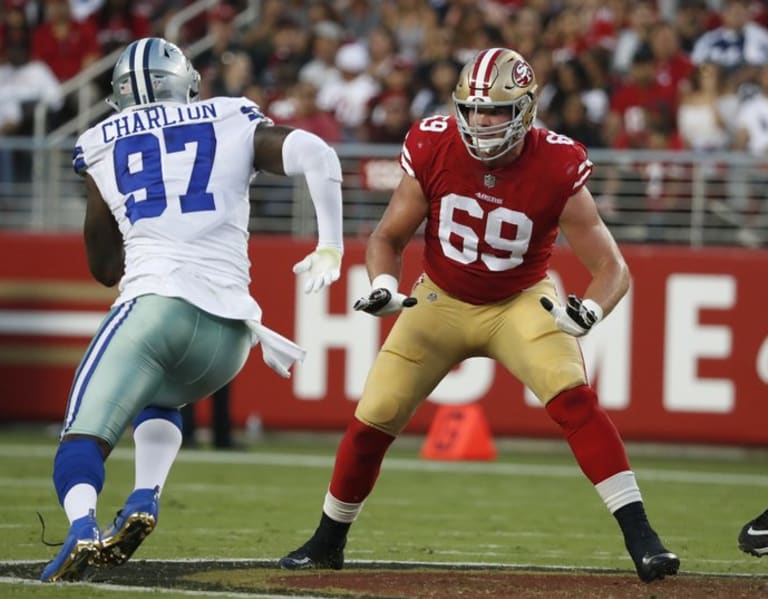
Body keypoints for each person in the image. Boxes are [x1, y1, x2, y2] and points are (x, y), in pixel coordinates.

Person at [278, 47, 680, 584]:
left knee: (575, 399)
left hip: (519, 300)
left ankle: (642, 539)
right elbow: (387, 237)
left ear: (527, 110)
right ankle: (327, 540)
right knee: (374, 416)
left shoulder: (557, 163)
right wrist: (381, 283)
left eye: (495, 111)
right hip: (439, 299)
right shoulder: (432, 143)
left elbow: (612, 266)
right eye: (472, 109)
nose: (481, 121)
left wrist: (592, 310)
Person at [40, 36, 344, 583]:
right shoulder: (227, 115)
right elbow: (318, 154)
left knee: (80, 438)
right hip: (231, 338)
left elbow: (105, 268)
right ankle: (145, 495)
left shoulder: (100, 141)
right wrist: (331, 246)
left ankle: (82, 525)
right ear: (187, 85)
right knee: (161, 398)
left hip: (156, 306)